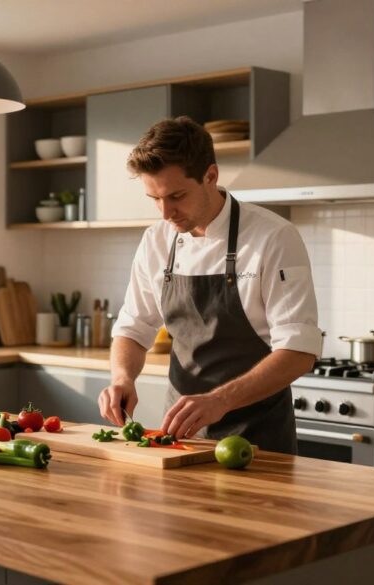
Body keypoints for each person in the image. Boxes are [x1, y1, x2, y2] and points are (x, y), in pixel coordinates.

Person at [98, 116, 321, 453]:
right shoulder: (156, 240)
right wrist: (122, 379)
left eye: (176, 196)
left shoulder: (273, 237)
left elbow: (299, 352)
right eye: (154, 198)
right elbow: (133, 327)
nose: (165, 213)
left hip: (257, 441)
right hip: (180, 438)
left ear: (211, 176)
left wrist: (220, 400)